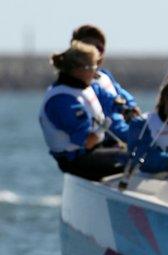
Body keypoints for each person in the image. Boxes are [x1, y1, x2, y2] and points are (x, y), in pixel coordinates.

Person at [39, 41, 128, 181]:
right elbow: (87, 141)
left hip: (95, 149)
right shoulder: (62, 101)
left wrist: (125, 108)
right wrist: (102, 128)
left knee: (139, 148)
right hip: (76, 160)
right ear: (78, 69)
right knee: (135, 157)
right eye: (93, 66)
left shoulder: (85, 86)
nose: (96, 70)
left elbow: (107, 99)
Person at [72, 24, 141, 121]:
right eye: (88, 48)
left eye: (99, 48)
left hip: (122, 130)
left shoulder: (104, 75)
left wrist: (131, 107)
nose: (95, 53)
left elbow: (121, 93)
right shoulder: (78, 85)